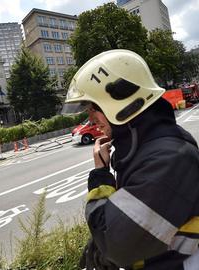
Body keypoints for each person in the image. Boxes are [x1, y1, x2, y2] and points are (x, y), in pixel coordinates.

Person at [63, 49, 199, 270]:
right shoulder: (147, 147)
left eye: (93, 108)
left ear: (120, 102)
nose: (90, 118)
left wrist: (100, 179)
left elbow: (116, 245)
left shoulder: (169, 159)